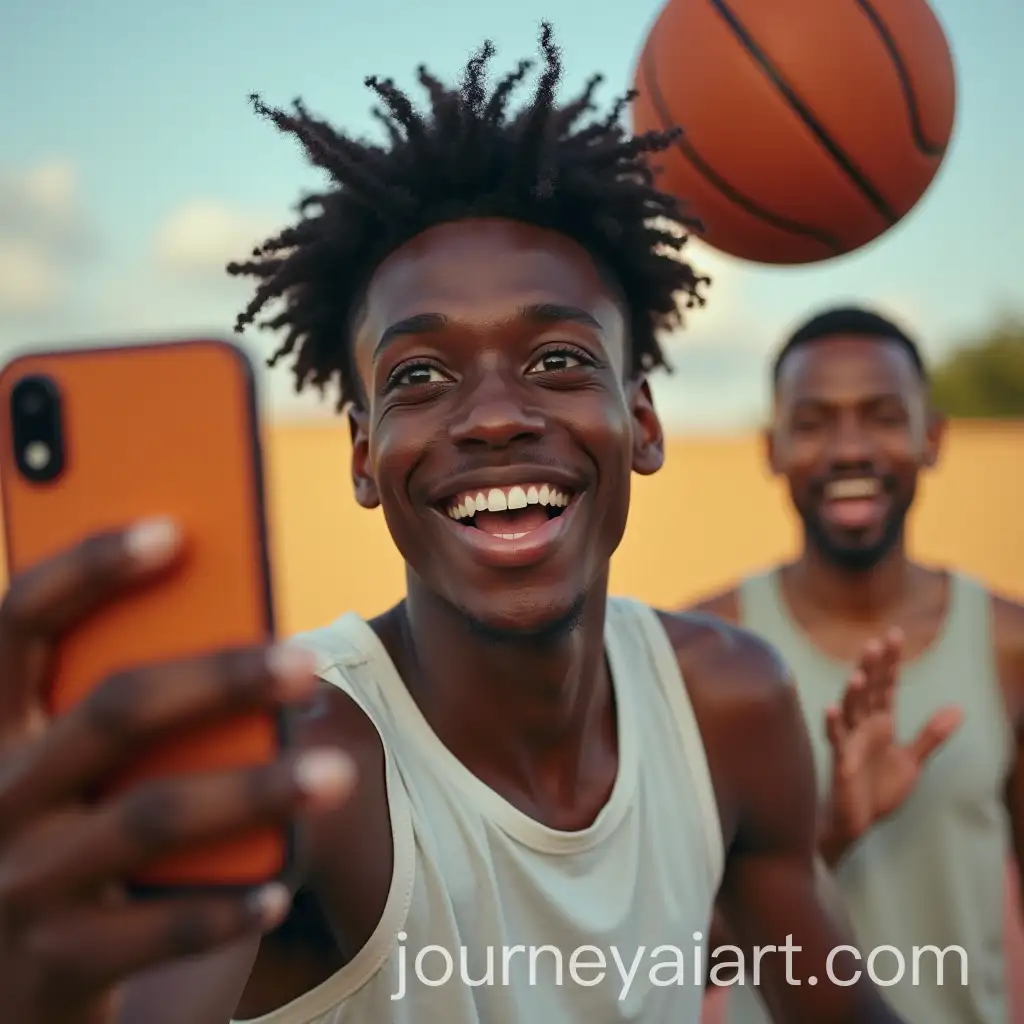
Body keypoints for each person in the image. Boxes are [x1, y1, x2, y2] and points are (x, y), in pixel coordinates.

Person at [0, 31, 913, 1024]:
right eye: (419, 377)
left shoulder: (729, 707)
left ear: (641, 422)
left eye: (558, 359)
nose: (491, 415)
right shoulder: (302, 757)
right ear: (362, 455)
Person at [690, 306, 1024, 1024]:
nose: (848, 449)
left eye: (880, 415)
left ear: (931, 438)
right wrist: (829, 834)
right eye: (812, 422)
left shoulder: (1007, 643)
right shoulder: (703, 651)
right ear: (771, 447)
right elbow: (669, 954)